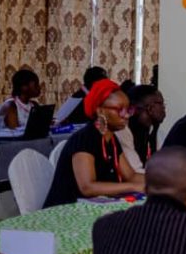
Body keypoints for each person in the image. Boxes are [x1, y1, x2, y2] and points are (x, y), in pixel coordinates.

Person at [43, 79, 145, 208]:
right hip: (65, 210)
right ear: (100, 111)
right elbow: (87, 187)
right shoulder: (85, 139)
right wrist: (133, 187)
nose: (126, 116)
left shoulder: (111, 139)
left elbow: (130, 176)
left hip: (90, 207)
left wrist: (160, 183)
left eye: (128, 109)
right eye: (120, 109)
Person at [115, 85, 165, 174]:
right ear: (150, 108)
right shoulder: (123, 130)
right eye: (161, 103)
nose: (164, 107)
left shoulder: (154, 130)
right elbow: (135, 170)